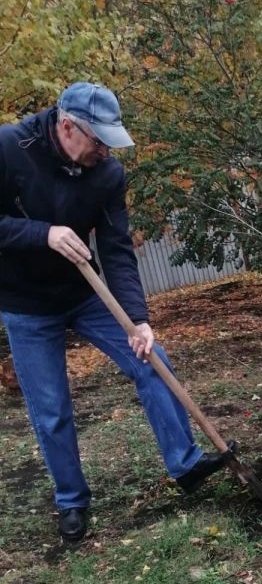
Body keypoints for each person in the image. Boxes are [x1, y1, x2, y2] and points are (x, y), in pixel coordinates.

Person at [0, 82, 233, 544]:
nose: (106, 151)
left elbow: (117, 248)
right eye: (99, 141)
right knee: (52, 410)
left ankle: (185, 465)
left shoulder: (107, 175)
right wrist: (41, 234)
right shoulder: (10, 148)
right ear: (67, 128)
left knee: (151, 358)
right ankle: (72, 501)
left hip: (85, 294)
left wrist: (138, 318)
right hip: (25, 304)